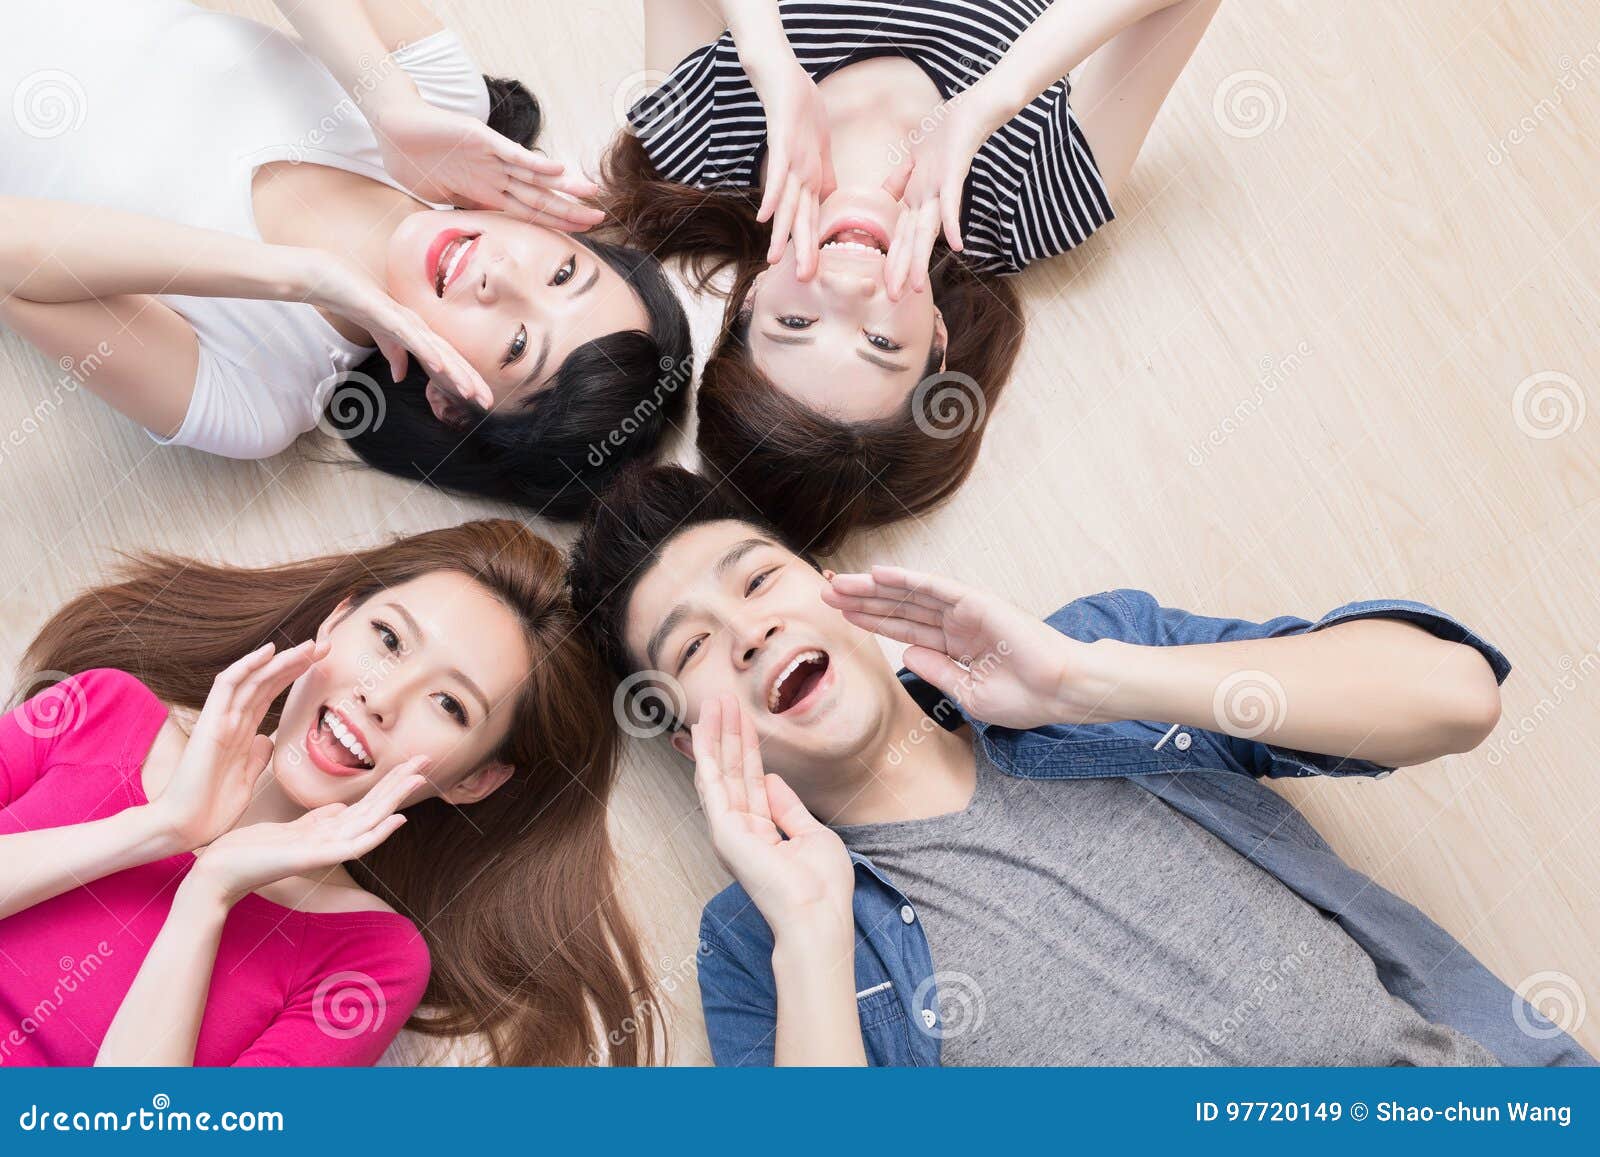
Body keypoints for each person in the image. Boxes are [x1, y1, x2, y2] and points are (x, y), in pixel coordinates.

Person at [566, 464, 1595, 1067]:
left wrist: (1086, 682)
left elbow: (1455, 696)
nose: (745, 631)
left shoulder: (1096, 656)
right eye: (692, 648)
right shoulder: (758, 940)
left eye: (758, 580)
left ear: (841, 594)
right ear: (693, 738)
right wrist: (809, 929)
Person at [0, 520, 655, 1066]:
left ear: (471, 779)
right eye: (390, 639)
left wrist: (211, 891)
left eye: (450, 704)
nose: (381, 695)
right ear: (337, 619)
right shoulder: (101, 706)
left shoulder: (369, 960)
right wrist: (162, 829)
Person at [0, 0, 690, 517]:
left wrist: (299, 277)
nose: (500, 276)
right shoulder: (444, 105)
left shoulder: (257, 397)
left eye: (516, 345)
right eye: (563, 272)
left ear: (450, 403)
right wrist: (387, 101)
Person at [604, 0, 1219, 548]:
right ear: (940, 340)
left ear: (750, 302)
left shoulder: (695, 143)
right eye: (880, 342)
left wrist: (768, 59)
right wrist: (991, 101)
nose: (848, 289)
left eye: (796, 322)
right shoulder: (1029, 206)